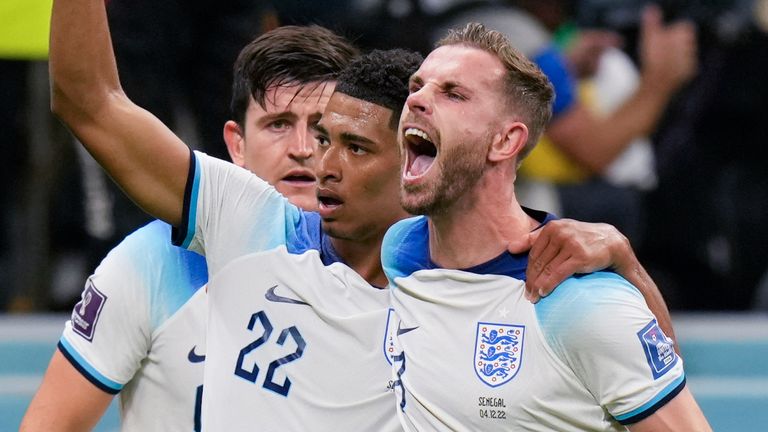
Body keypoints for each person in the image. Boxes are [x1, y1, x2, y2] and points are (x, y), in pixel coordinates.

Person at [42, 0, 681, 426]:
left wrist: (628, 271)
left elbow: (644, 374)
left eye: (353, 148)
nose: (321, 164)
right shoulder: (251, 225)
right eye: (322, 141)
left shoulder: (482, 286)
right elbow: (90, 100)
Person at [20, 25, 358, 431]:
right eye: (278, 124)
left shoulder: (389, 272)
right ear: (237, 145)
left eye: (321, 129)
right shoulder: (152, 262)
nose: (302, 147)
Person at [382, 22, 711, 430]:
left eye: (453, 94)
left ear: (505, 142)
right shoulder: (400, 250)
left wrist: (630, 270)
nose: (416, 100)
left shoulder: (577, 301)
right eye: (417, 86)